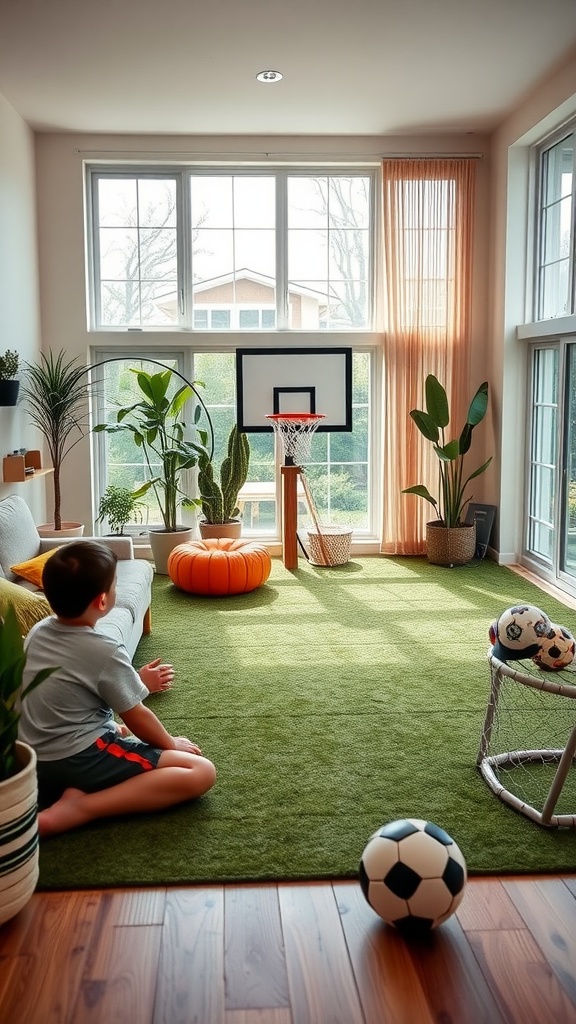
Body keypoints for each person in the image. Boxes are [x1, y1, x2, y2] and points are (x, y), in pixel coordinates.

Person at [19, 540, 216, 837]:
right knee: (200, 772)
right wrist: (170, 743)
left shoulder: (39, 630)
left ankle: (80, 787)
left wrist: (135, 681)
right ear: (102, 601)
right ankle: (84, 807)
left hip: (34, 760)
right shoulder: (104, 649)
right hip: (78, 758)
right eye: (114, 585)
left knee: (116, 727)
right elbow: (137, 716)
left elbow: (70, 685)